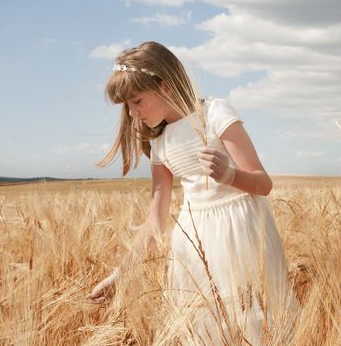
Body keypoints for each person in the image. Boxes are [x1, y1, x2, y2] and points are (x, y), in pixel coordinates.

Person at [88, 41, 298, 345]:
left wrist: (229, 174)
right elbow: (154, 221)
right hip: (193, 239)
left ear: (165, 86)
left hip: (240, 233)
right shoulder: (159, 141)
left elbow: (263, 183)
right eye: (127, 106)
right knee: (203, 327)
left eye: (137, 100)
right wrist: (123, 273)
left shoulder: (214, 112)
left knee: (254, 324)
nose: (132, 113)